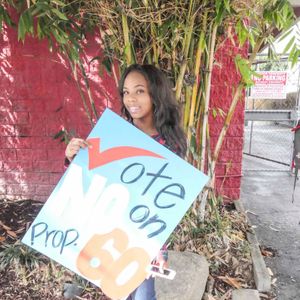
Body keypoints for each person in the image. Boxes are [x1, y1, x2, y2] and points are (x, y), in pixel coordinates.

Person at [65, 64, 187, 300]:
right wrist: (73, 158)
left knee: (143, 296)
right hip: (112, 237)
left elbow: (166, 205)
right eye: (126, 92)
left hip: (145, 242)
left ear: (156, 94)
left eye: (139, 91)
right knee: (119, 295)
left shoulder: (170, 145)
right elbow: (92, 181)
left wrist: (159, 249)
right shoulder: (114, 135)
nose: (131, 98)